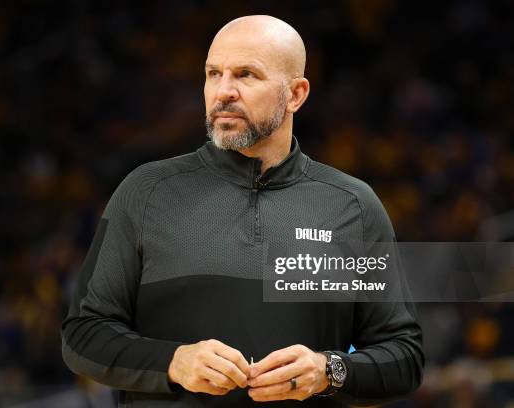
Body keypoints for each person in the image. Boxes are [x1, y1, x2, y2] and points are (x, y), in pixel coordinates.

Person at [61, 15, 423, 407]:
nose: (224, 91)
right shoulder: (146, 192)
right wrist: (173, 362)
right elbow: (83, 335)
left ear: (296, 94)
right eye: (213, 74)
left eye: (246, 75)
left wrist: (330, 370)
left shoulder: (353, 205)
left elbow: (404, 356)